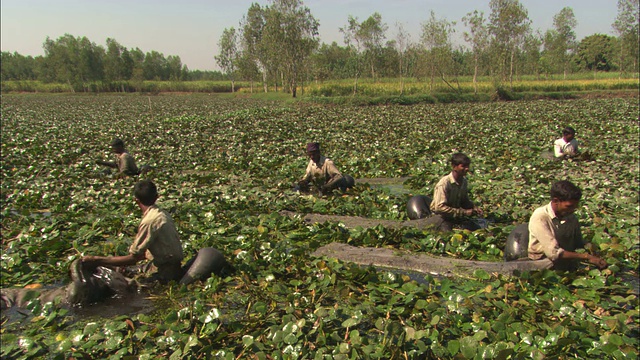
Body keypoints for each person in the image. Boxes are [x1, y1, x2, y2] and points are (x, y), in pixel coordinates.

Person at [82, 180, 184, 283]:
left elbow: (134, 258)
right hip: (171, 265)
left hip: (166, 272)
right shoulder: (163, 214)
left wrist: (96, 260)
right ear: (157, 197)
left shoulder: (150, 221)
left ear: (136, 200)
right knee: (127, 270)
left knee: (128, 283)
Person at [528, 180, 607, 270]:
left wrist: (593, 252)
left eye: (575, 206)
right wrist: (586, 257)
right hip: (544, 259)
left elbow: (578, 243)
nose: (573, 210)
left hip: (568, 257)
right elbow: (553, 253)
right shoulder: (540, 217)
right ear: (556, 201)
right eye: (569, 206)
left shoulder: (570, 216)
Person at [423, 153, 483, 232]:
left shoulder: (464, 181)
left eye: (467, 166)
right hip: (441, 217)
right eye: (463, 166)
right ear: (454, 166)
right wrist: (464, 212)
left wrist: (474, 207)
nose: (467, 169)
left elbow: (464, 201)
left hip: (454, 216)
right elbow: (439, 208)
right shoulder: (444, 183)